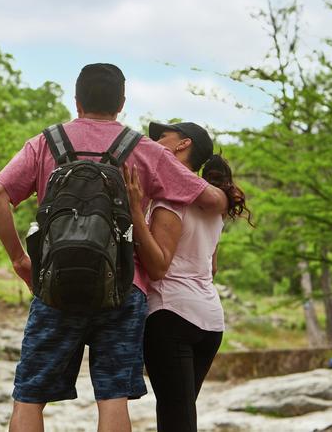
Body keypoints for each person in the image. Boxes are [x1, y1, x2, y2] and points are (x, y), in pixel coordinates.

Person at [0, 64, 227, 432]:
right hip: (122, 288)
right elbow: (210, 201)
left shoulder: (46, 142)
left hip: (54, 289)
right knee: (112, 397)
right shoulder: (143, 149)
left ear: (77, 100)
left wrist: (21, 260)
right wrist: (225, 192)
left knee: (30, 397)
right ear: (122, 103)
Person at [121, 121, 251, 432]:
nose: (156, 141)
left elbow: (158, 266)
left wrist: (136, 214)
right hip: (210, 320)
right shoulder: (212, 206)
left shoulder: (171, 200)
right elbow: (212, 268)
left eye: (164, 135)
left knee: (175, 417)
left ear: (183, 144)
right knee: (180, 414)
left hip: (171, 316)